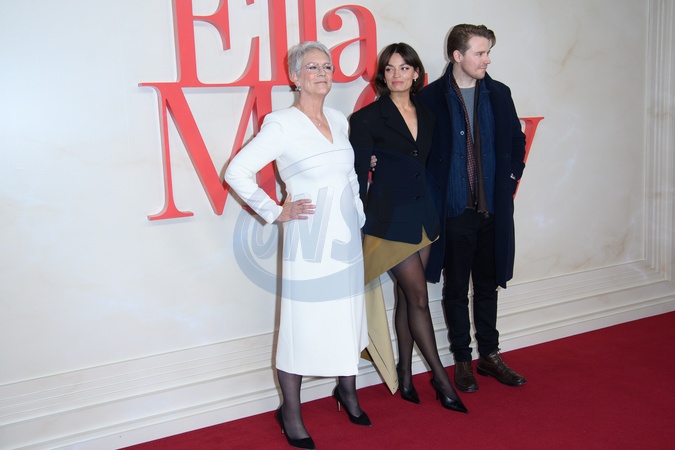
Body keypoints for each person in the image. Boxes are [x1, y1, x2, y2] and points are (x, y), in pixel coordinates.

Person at [225, 41, 370, 450]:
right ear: (295, 77)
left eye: (327, 66)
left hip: (345, 238)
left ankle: (347, 392)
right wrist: (275, 211)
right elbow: (237, 171)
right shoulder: (281, 124)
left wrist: (358, 215)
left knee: (346, 315)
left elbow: (349, 175)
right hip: (308, 242)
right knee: (302, 324)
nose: (322, 73)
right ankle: (290, 411)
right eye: (312, 67)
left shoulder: (338, 119)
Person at [349, 43, 467, 414]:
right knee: (418, 297)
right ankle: (441, 379)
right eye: (389, 68)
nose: (396, 75)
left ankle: (404, 374)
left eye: (404, 68)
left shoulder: (429, 114)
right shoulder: (366, 119)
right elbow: (357, 177)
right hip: (388, 220)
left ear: (416, 73)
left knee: (405, 297)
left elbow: (432, 164)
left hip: (423, 216)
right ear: (382, 75)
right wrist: (358, 223)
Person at [417, 24, 527, 393]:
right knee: (455, 288)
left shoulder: (499, 93)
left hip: (492, 208)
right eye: (480, 53)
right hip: (453, 210)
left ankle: (490, 356)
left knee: (487, 285)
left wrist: (510, 177)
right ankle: (462, 360)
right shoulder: (429, 98)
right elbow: (420, 150)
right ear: (457, 55)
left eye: (487, 52)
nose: (487, 59)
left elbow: (516, 139)